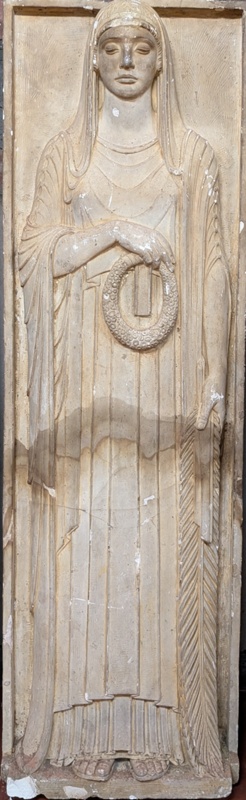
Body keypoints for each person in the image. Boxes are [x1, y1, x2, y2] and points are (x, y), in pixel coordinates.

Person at [17, 0, 230, 782]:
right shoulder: (66, 156)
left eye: (144, 45)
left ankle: (160, 733)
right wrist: (113, 231)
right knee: (90, 543)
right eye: (113, 46)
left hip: (166, 383)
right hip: (86, 388)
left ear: (164, 59)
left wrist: (213, 379)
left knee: (161, 551)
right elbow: (32, 254)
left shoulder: (193, 160)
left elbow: (213, 269)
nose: (129, 58)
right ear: (95, 59)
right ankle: (82, 721)